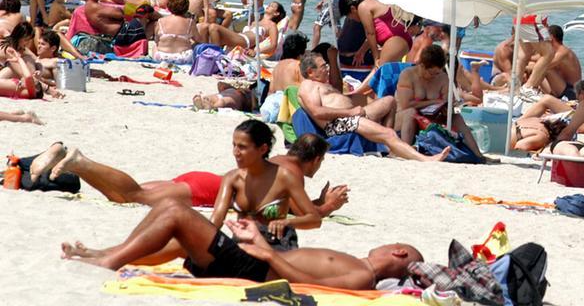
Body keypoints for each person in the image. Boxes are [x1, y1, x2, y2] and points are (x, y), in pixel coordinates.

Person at [62, 207, 420, 288]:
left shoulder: (362, 275)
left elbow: (309, 284)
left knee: (176, 213)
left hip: (255, 270)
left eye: (393, 243)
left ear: (399, 253)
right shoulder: (357, 264)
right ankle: (106, 253)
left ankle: (110, 260)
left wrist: (266, 252)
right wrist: (259, 241)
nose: (384, 243)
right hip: (257, 261)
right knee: (179, 238)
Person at [48, 134, 347, 216]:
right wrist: (327, 206)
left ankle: (76, 164)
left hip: (205, 179)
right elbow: (304, 214)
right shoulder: (293, 173)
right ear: (314, 159)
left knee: (128, 194)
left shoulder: (282, 161)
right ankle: (81, 161)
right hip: (209, 191)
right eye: (321, 161)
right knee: (132, 196)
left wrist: (318, 202)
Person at [297, 52, 448, 162]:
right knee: (389, 133)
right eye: (323, 66)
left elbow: (337, 90)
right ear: (310, 72)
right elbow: (317, 111)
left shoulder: (322, 84)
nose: (327, 68)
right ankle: (424, 159)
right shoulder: (308, 85)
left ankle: (390, 149)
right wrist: (350, 112)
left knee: (389, 101)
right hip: (338, 123)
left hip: (351, 116)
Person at [393, 44, 484, 156]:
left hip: (430, 118)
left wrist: (447, 108)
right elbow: (406, 105)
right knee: (410, 113)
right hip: (403, 119)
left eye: (438, 73)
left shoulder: (442, 77)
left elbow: (446, 102)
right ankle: (405, 152)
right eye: (432, 73)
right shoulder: (408, 75)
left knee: (457, 118)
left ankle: (478, 155)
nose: (435, 76)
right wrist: (434, 102)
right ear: (422, 66)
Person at [202, 1, 286, 59]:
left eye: (272, 6)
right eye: (269, 4)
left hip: (244, 42)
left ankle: (215, 59)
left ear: (276, 13)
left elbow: (273, 45)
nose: (269, 6)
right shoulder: (256, 21)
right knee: (205, 28)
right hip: (239, 37)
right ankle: (206, 56)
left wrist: (256, 51)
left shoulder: (272, 25)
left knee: (214, 27)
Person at [520, 24, 581, 99]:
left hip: (571, 92)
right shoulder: (553, 52)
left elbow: (544, 66)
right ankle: (530, 89)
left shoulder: (563, 52)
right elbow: (534, 58)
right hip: (559, 88)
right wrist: (522, 58)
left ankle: (529, 89)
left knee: (545, 68)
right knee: (534, 64)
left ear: (551, 37)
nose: (542, 38)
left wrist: (522, 68)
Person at [356, 0, 415, 66]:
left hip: (396, 39)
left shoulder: (363, 6)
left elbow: (370, 34)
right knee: (384, 69)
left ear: (353, 9)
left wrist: (376, 57)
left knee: (380, 68)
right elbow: (372, 35)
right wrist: (362, 50)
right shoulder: (379, 2)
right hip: (400, 38)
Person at [154, 0, 197, 66]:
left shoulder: (160, 21)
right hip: (183, 58)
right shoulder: (190, 22)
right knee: (195, 45)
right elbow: (198, 40)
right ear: (186, 7)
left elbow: (157, 40)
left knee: (155, 46)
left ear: (169, 6)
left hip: (162, 57)